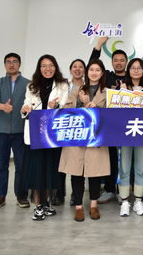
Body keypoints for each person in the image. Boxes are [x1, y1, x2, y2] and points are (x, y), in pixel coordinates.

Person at [59, 59, 110, 222]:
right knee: (77, 173)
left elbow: (112, 115)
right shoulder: (78, 90)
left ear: (102, 73)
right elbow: (66, 110)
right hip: (77, 138)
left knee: (95, 173)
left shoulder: (107, 92)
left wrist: (94, 106)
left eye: (97, 70)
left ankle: (94, 205)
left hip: (96, 138)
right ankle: (79, 207)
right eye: (91, 70)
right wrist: (81, 102)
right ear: (87, 72)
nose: (94, 73)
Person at [20, 54, 69, 221]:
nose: (47, 69)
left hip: (52, 133)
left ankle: (47, 203)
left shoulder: (63, 85)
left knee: (50, 169)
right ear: (39, 68)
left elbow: (65, 107)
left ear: (55, 67)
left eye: (50, 65)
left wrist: (56, 106)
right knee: (36, 171)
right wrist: (25, 109)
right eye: (43, 66)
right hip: (36, 132)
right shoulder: (31, 86)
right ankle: (38, 206)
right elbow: (26, 103)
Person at [0, 53, 30, 210]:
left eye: (14, 61)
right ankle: (0, 196)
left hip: (20, 132)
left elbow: (33, 102)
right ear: (5, 65)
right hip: (0, 132)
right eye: (8, 62)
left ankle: (21, 195)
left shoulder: (28, 84)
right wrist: (2, 107)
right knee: (1, 165)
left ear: (19, 64)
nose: (11, 64)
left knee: (21, 166)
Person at [89, 37, 127, 204]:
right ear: (111, 62)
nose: (118, 63)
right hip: (109, 126)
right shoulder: (107, 78)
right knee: (110, 158)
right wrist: (98, 45)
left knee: (125, 160)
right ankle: (110, 189)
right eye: (115, 60)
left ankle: (123, 191)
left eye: (122, 60)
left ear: (126, 62)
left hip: (128, 126)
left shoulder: (132, 77)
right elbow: (92, 65)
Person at [118, 58, 143, 217]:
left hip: (142, 134)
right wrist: (121, 93)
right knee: (124, 168)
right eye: (133, 67)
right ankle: (125, 201)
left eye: (139, 68)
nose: (136, 70)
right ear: (128, 70)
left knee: (140, 168)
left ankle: (138, 201)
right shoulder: (121, 88)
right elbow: (114, 111)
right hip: (124, 134)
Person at [55, 58, 87, 207]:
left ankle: (76, 194)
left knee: (78, 165)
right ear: (70, 70)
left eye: (81, 67)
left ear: (84, 70)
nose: (77, 69)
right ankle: (59, 194)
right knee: (61, 164)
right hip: (64, 128)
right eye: (75, 66)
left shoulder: (88, 86)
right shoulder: (63, 86)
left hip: (81, 130)